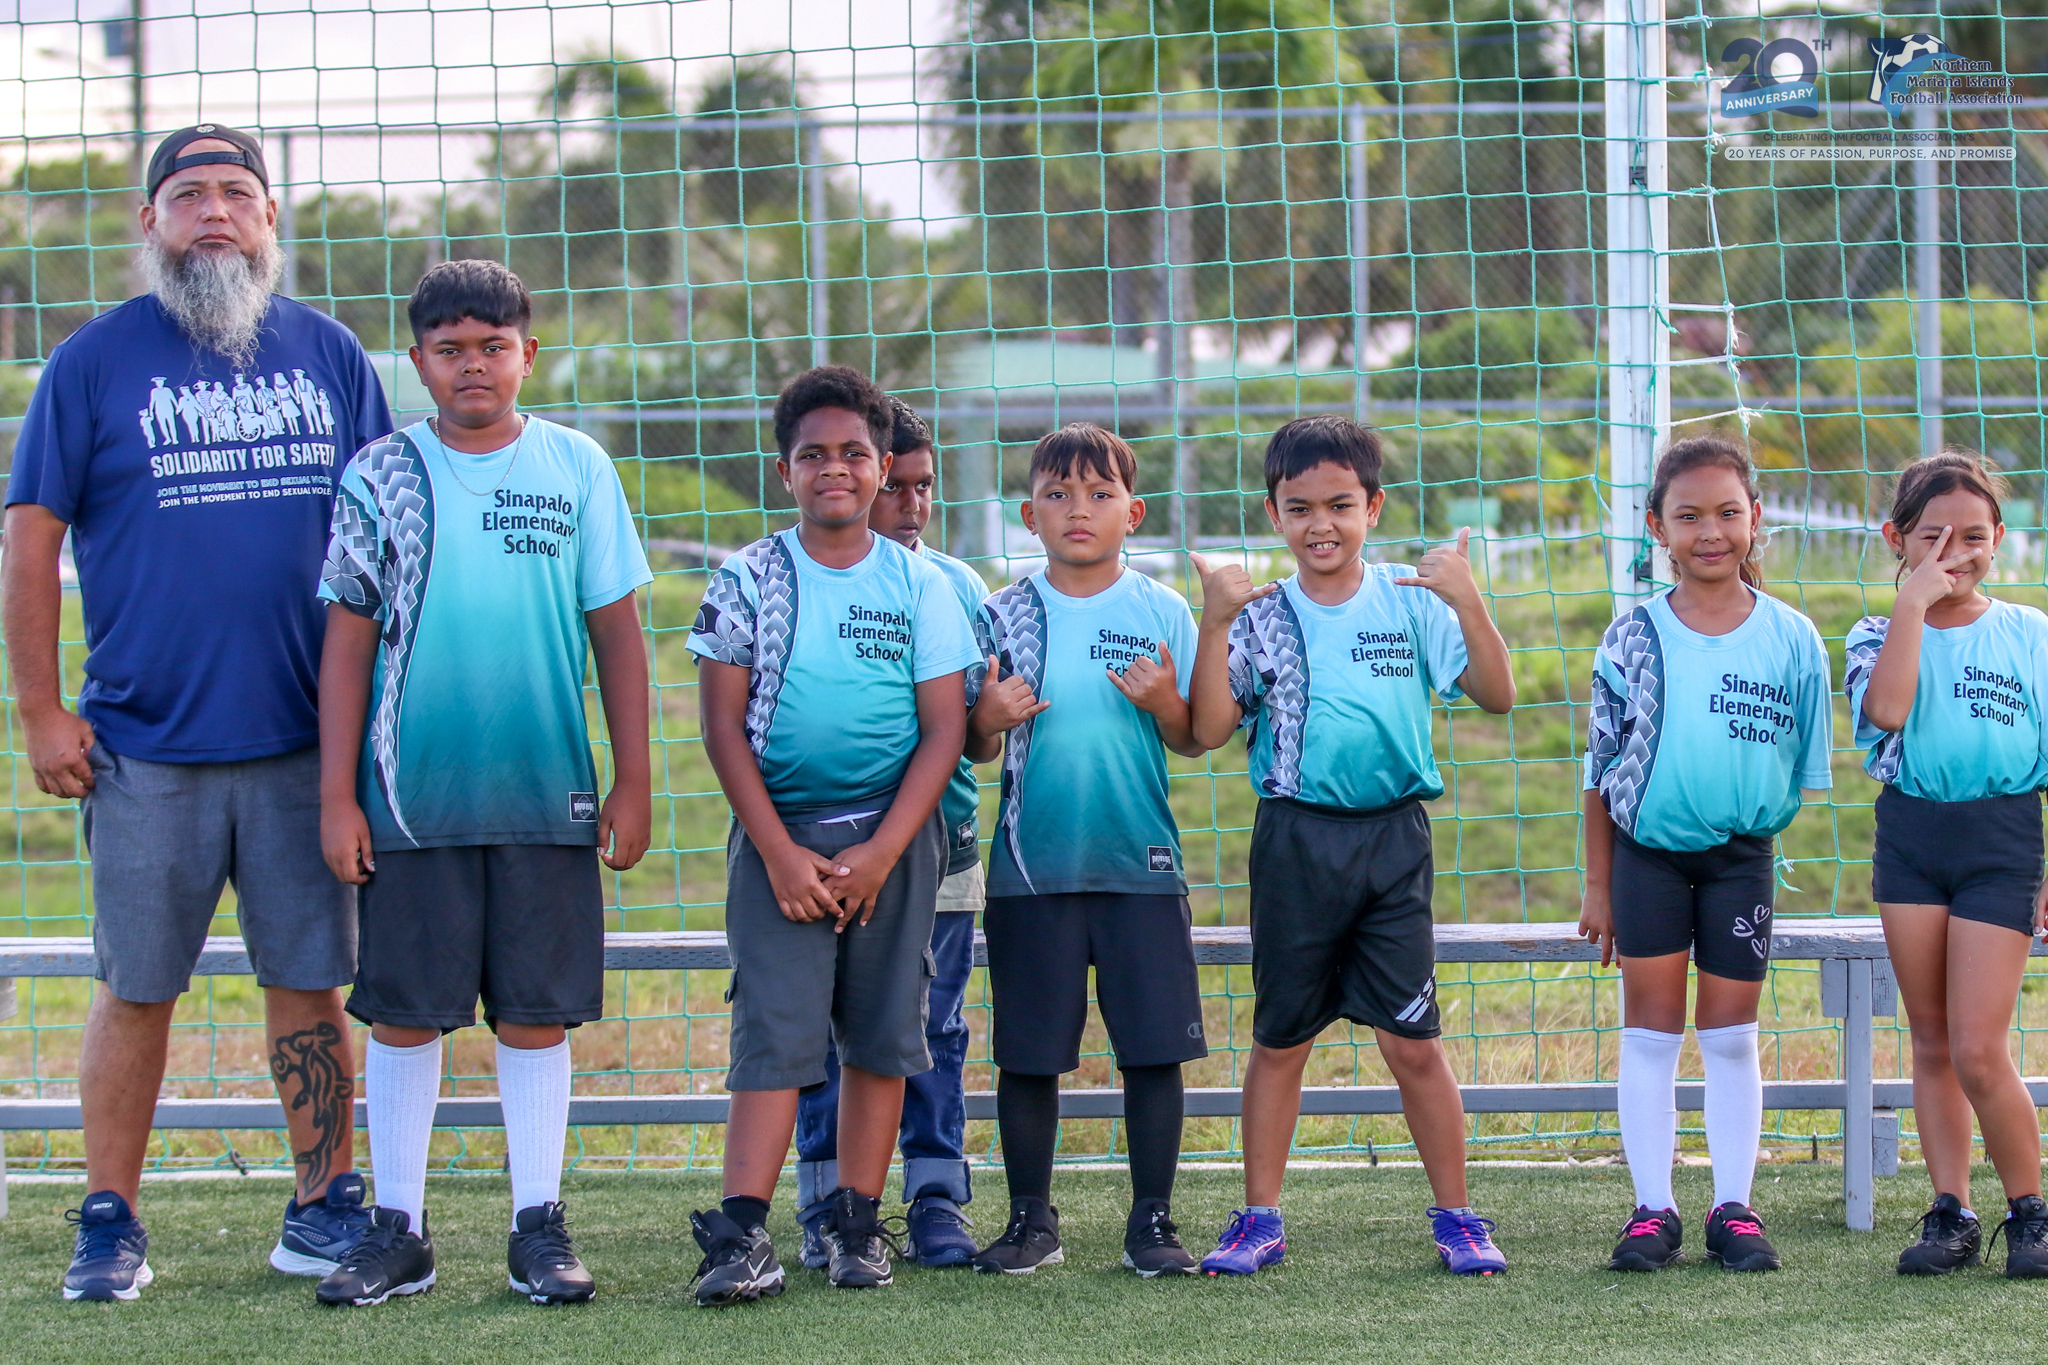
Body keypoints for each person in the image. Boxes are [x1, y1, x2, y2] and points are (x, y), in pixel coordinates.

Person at [1, 124, 392, 1302]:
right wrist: (40, 712)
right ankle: (110, 1218)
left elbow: (384, 543)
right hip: (144, 747)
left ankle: (322, 1206)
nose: (212, 211)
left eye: (236, 192)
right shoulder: (92, 363)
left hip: (301, 749)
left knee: (309, 982)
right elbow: (29, 538)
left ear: (271, 219)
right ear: (150, 223)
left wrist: (374, 727)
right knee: (137, 988)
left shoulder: (329, 357)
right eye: (187, 194)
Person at [311, 259, 653, 1308]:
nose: (473, 366)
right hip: (412, 803)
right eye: (450, 349)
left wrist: (633, 778)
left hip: (544, 797)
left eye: (492, 347)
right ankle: (399, 1228)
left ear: (527, 355)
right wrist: (336, 796)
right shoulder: (382, 475)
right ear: (416, 362)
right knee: (406, 1014)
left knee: (535, 1015)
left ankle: (537, 1226)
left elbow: (617, 633)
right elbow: (347, 646)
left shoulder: (577, 467)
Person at [1184, 415, 1514, 1277]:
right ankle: (1260, 1216)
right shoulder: (1260, 616)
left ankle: (1457, 1215)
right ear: (1273, 513)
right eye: (1300, 508)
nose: (1320, 523)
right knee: (1281, 1040)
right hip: (1295, 842)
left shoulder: (1411, 600)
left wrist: (1468, 599)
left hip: (1392, 844)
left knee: (1413, 1043)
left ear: (1373, 506)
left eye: (1339, 504)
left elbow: (1498, 693)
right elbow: (1213, 728)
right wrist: (1214, 622)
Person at [685, 365, 978, 1304]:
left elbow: (944, 732)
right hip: (783, 843)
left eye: (856, 452)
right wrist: (777, 849)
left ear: (882, 463)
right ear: (786, 471)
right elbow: (723, 728)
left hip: (894, 842)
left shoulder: (922, 584)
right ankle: (743, 1233)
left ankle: (857, 1223)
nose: (837, 469)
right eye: (815, 454)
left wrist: (885, 852)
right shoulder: (749, 577)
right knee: (774, 1032)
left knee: (884, 1036)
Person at [1578, 434, 1833, 1274]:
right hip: (1646, 858)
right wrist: (1600, 883)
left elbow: (1800, 769)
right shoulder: (1631, 637)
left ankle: (1735, 1208)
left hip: (1741, 859)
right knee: (1651, 1033)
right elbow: (1598, 770)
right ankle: (1653, 1208)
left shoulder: (1795, 639)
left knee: (1728, 1035)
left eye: (1728, 512)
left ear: (1756, 518)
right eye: (1688, 515)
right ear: (1657, 526)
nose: (1711, 530)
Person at [964, 423, 1207, 1278]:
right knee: (1029, 1054)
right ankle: (1031, 1219)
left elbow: (1189, 739)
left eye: (1100, 494)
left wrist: (1168, 701)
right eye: (1059, 495)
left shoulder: (1162, 608)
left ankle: (1152, 1221)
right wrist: (985, 723)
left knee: (1152, 1051)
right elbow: (978, 747)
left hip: (1140, 866)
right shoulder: (1003, 612)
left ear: (1132, 512)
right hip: (1032, 872)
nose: (1079, 510)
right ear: (1029, 514)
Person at [1843, 448, 2048, 1278]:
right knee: (1929, 1039)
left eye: (1973, 536)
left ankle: (2030, 1211)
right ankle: (1950, 1211)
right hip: (1913, 841)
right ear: (1897, 538)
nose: (1955, 554)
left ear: (1998, 537)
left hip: (2002, 841)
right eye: (1932, 538)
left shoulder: (2031, 633)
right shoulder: (1876, 630)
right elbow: (1887, 710)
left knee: (1976, 1044)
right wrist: (1913, 609)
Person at [794, 398, 987, 1270]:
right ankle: (827, 1201)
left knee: (934, 1025)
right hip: (825, 855)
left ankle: (936, 1196)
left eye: (923, 486)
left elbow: (969, 729)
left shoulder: (957, 587)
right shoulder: (797, 579)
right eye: (894, 485)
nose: (909, 503)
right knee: (827, 1027)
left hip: (938, 848)